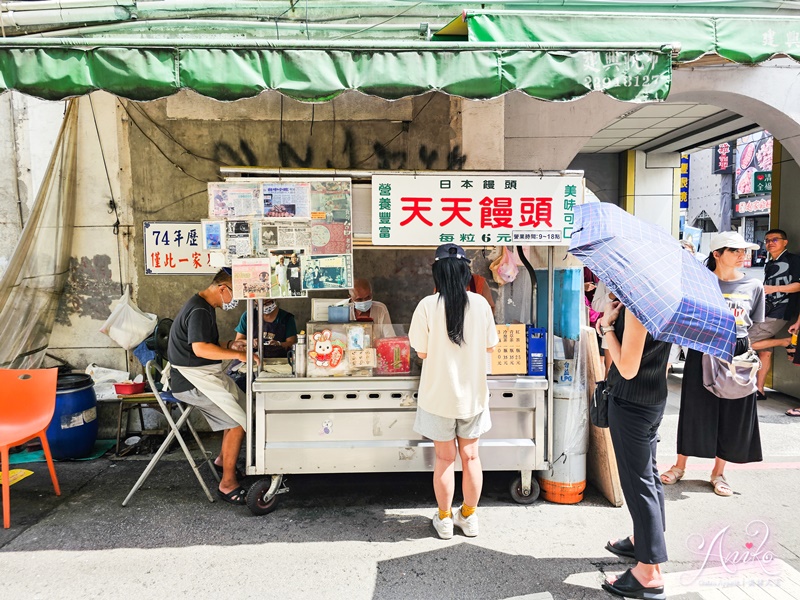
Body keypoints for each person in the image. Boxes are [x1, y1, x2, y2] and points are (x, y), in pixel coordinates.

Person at [661, 231, 764, 497]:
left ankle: (719, 472)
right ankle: (679, 465)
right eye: (734, 250)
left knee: (733, 413)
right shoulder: (700, 283)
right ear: (717, 254)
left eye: (744, 251)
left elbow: (753, 325)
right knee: (695, 410)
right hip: (703, 348)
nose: (742, 255)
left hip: (737, 352)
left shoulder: (754, 286)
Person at [408, 243, 499, 540]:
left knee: (445, 460)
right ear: (465, 273)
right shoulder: (481, 305)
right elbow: (489, 345)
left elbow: (420, 353)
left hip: (437, 397)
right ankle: (469, 517)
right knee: (471, 457)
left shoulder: (426, 306)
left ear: (437, 273)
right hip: (473, 397)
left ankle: (445, 519)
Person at [596, 296, 671, 599]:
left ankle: (648, 572)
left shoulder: (641, 305)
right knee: (648, 476)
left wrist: (606, 328)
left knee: (638, 482)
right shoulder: (664, 302)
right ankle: (645, 540)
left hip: (632, 403)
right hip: (653, 397)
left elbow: (626, 368)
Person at [167, 268, 257, 505]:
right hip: (191, 381)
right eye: (234, 295)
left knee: (243, 405)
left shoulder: (203, 306)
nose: (234, 301)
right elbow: (200, 349)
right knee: (237, 422)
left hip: (202, 374)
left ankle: (221, 460)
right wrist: (239, 356)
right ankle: (227, 484)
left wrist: (230, 345)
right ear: (222, 288)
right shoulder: (198, 309)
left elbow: (205, 342)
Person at [749, 229, 800, 400]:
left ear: (785, 242)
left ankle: (785, 342)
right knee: (764, 351)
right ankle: (759, 390)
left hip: (781, 311)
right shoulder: (770, 263)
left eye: (775, 239)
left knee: (744, 343)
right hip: (766, 310)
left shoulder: (794, 260)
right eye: (767, 240)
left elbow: (799, 285)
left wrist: (774, 289)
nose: (770, 243)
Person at [229, 299, 298, 391]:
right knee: (238, 384)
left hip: (276, 360)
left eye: (268, 303)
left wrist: (279, 344)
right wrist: (250, 342)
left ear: (274, 300)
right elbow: (238, 341)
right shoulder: (248, 316)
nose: (264, 306)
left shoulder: (286, 318)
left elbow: (291, 343)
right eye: (260, 303)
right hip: (251, 358)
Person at [667, 239, 697, 374]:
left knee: (694, 362)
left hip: (691, 322)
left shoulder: (700, 274)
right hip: (670, 322)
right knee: (665, 361)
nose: (684, 254)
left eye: (688, 251)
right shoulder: (667, 273)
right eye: (681, 250)